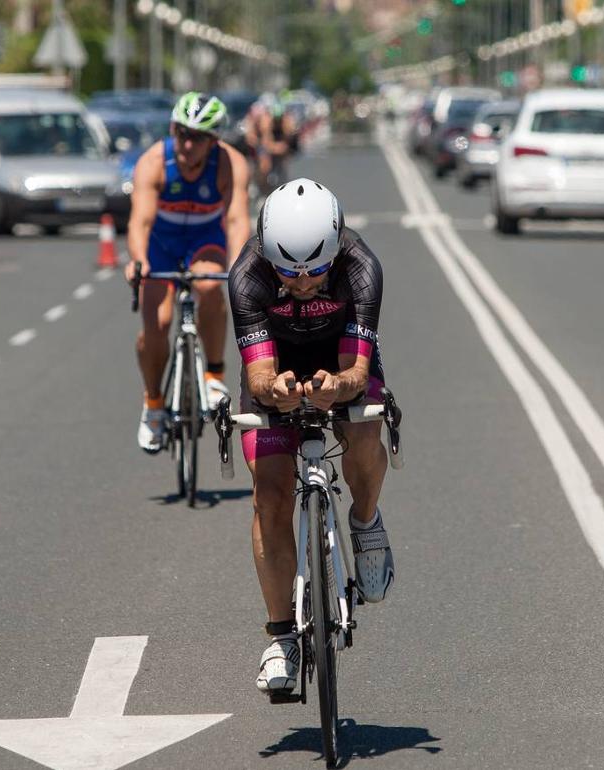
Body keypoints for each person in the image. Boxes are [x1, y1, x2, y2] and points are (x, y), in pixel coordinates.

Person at [227, 178, 395, 696]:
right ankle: (281, 637)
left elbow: (355, 368)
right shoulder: (247, 277)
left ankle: (365, 519)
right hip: (276, 365)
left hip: (339, 361)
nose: (301, 284)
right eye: (288, 273)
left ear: (335, 247)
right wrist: (272, 388)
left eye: (315, 272)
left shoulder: (362, 269)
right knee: (271, 496)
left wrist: (340, 386)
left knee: (364, 432)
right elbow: (258, 377)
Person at [124, 92, 251, 453]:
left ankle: (213, 375)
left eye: (197, 137)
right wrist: (138, 261)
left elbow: (237, 218)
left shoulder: (230, 163)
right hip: (161, 243)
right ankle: (153, 405)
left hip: (204, 238)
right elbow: (140, 220)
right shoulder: (153, 162)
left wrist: (238, 262)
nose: (186, 143)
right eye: (180, 132)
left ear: (214, 141)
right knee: (157, 325)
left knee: (211, 286)